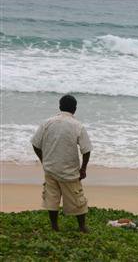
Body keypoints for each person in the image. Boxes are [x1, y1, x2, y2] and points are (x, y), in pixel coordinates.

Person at [31, 95, 92, 232]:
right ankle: (82, 226)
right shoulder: (78, 125)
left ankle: (54, 227)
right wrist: (83, 169)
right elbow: (86, 150)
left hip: (50, 169)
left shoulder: (47, 123)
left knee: (51, 198)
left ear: (59, 107)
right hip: (69, 171)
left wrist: (43, 160)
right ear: (75, 109)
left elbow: (35, 144)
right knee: (77, 199)